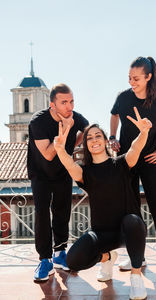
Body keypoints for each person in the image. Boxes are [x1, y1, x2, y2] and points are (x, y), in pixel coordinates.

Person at [54, 108, 152, 300]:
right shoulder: (86, 173)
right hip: (101, 233)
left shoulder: (122, 164)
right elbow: (69, 165)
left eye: (98, 136)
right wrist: (59, 149)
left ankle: (136, 277)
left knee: (133, 221)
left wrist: (144, 133)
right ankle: (108, 257)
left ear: (106, 140)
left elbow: (135, 148)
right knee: (73, 260)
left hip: (128, 230)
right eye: (89, 138)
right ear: (86, 145)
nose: (94, 140)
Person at [110, 56, 156, 283]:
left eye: (136, 78)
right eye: (129, 78)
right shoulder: (123, 98)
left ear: (149, 77)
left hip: (150, 161)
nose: (132, 82)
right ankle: (137, 257)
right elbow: (114, 114)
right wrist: (112, 137)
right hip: (127, 161)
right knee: (132, 212)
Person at [27, 83, 89, 281]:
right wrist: (64, 134)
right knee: (42, 213)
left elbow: (88, 130)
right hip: (40, 173)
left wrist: (75, 142)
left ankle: (60, 252)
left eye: (71, 101)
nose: (69, 106)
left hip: (63, 172)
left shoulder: (75, 117)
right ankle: (44, 260)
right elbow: (47, 154)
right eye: (64, 102)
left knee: (62, 209)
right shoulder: (38, 122)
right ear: (52, 105)